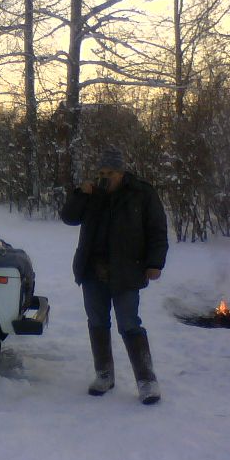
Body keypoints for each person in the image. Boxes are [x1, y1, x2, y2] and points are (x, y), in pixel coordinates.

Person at [60, 147, 168, 404]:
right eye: (101, 172)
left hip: (126, 271)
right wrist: (79, 194)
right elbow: (68, 217)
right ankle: (104, 374)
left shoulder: (141, 193)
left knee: (129, 323)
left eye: (109, 172)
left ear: (121, 172)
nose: (104, 177)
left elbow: (157, 229)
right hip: (92, 270)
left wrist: (155, 263)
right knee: (97, 322)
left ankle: (146, 381)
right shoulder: (92, 194)